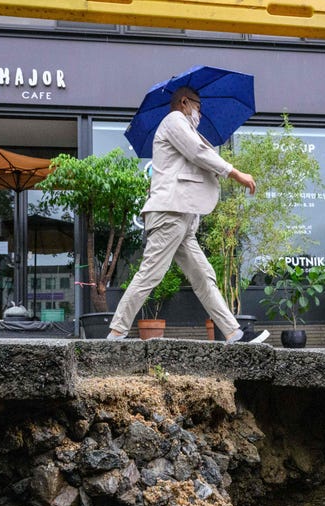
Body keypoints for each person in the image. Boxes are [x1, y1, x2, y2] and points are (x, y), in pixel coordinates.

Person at [107, 86, 269, 344]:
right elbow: (198, 152)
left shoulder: (183, 127)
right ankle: (116, 332)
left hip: (182, 217)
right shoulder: (174, 121)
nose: (200, 115)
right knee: (151, 274)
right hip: (170, 214)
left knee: (203, 276)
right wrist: (235, 173)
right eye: (198, 107)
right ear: (184, 102)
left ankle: (233, 333)